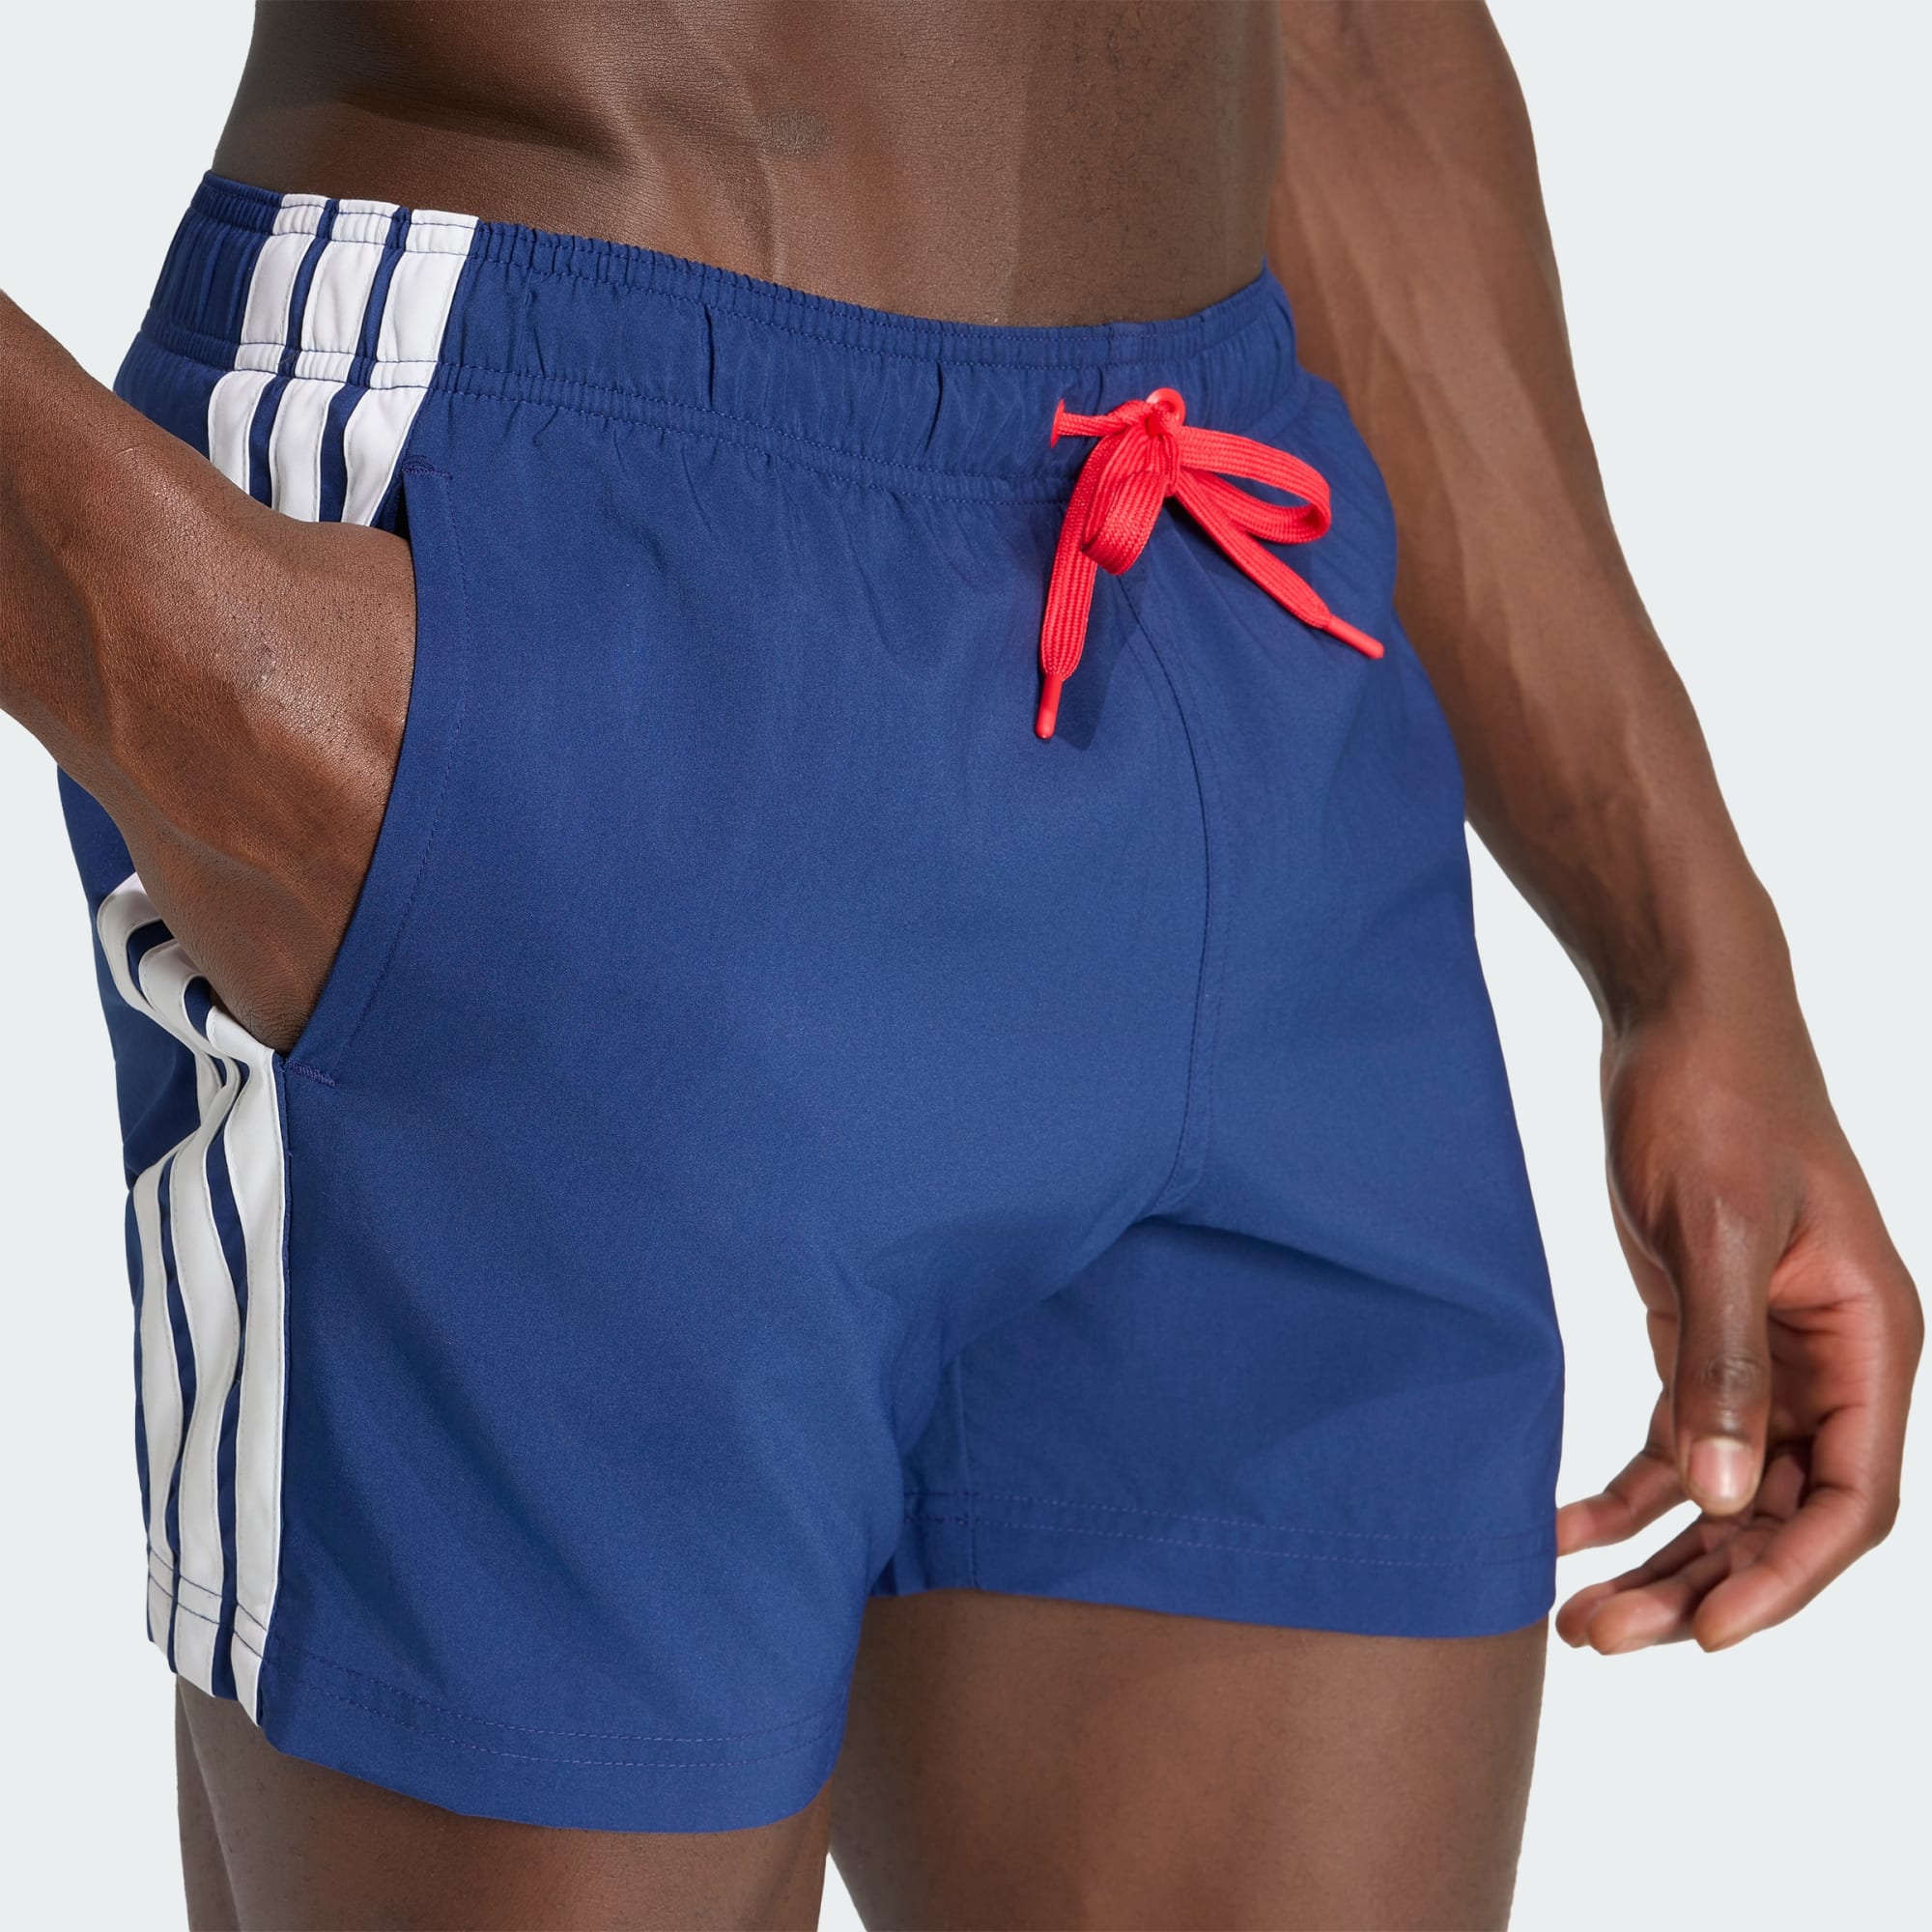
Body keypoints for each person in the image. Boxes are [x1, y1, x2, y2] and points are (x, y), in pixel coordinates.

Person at [0, 3, 1918, 1926]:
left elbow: (1340, 38)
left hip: (1236, 601)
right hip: (573, 546)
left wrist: (1689, 950)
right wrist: (178, 655)